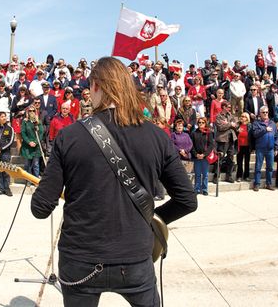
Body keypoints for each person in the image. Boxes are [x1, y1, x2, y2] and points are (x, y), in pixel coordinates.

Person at [31, 56, 197, 306]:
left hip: (80, 259)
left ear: (96, 86)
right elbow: (187, 200)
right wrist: (151, 221)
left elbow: (40, 208)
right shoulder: (157, 136)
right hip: (135, 257)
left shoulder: (69, 135)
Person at [251, 106, 278, 191]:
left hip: (270, 149)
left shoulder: (272, 123)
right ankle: (257, 184)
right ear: (260, 113)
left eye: (266, 112)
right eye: (263, 112)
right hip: (260, 148)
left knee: (270, 167)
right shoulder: (256, 123)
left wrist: (276, 148)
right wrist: (265, 129)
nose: (265, 114)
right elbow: (255, 134)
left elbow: (276, 136)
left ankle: (269, 184)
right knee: (258, 167)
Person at [0, 111, 14, 197]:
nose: (4, 118)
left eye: (5, 116)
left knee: (6, 171)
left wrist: (1, 149)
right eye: (2, 117)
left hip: (5, 153)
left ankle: (7, 188)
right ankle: (0, 188)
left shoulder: (9, 129)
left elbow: (10, 141)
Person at [215, 101, 237, 183]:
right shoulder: (219, 116)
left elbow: (236, 125)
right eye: (228, 107)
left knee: (231, 158)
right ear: (224, 107)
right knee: (220, 157)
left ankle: (229, 176)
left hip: (231, 139)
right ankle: (216, 176)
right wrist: (230, 124)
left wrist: (228, 124)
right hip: (223, 139)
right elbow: (220, 127)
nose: (229, 109)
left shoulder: (230, 115)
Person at [191, 117, 214, 195]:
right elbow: (192, 146)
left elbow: (211, 145)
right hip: (196, 157)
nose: (201, 124)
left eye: (202, 122)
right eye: (199, 122)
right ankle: (197, 189)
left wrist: (204, 154)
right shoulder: (194, 133)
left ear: (205, 123)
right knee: (197, 174)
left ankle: (204, 189)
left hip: (205, 157)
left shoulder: (208, 133)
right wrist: (196, 154)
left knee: (205, 174)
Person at [21, 105, 45, 178]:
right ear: (27, 112)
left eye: (33, 111)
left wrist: (35, 142)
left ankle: (35, 179)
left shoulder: (38, 122)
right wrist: (29, 142)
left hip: (36, 146)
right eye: (30, 111)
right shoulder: (25, 122)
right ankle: (28, 180)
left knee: (36, 164)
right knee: (27, 164)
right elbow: (23, 133)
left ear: (36, 111)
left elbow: (41, 133)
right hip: (27, 146)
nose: (32, 112)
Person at [236, 112, 251, 182]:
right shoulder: (238, 125)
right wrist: (237, 131)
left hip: (247, 146)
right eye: (242, 116)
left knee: (247, 162)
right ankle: (239, 176)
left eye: (244, 116)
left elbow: (252, 135)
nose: (242, 117)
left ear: (247, 118)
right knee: (239, 162)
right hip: (239, 146)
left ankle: (246, 176)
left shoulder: (249, 125)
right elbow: (234, 134)